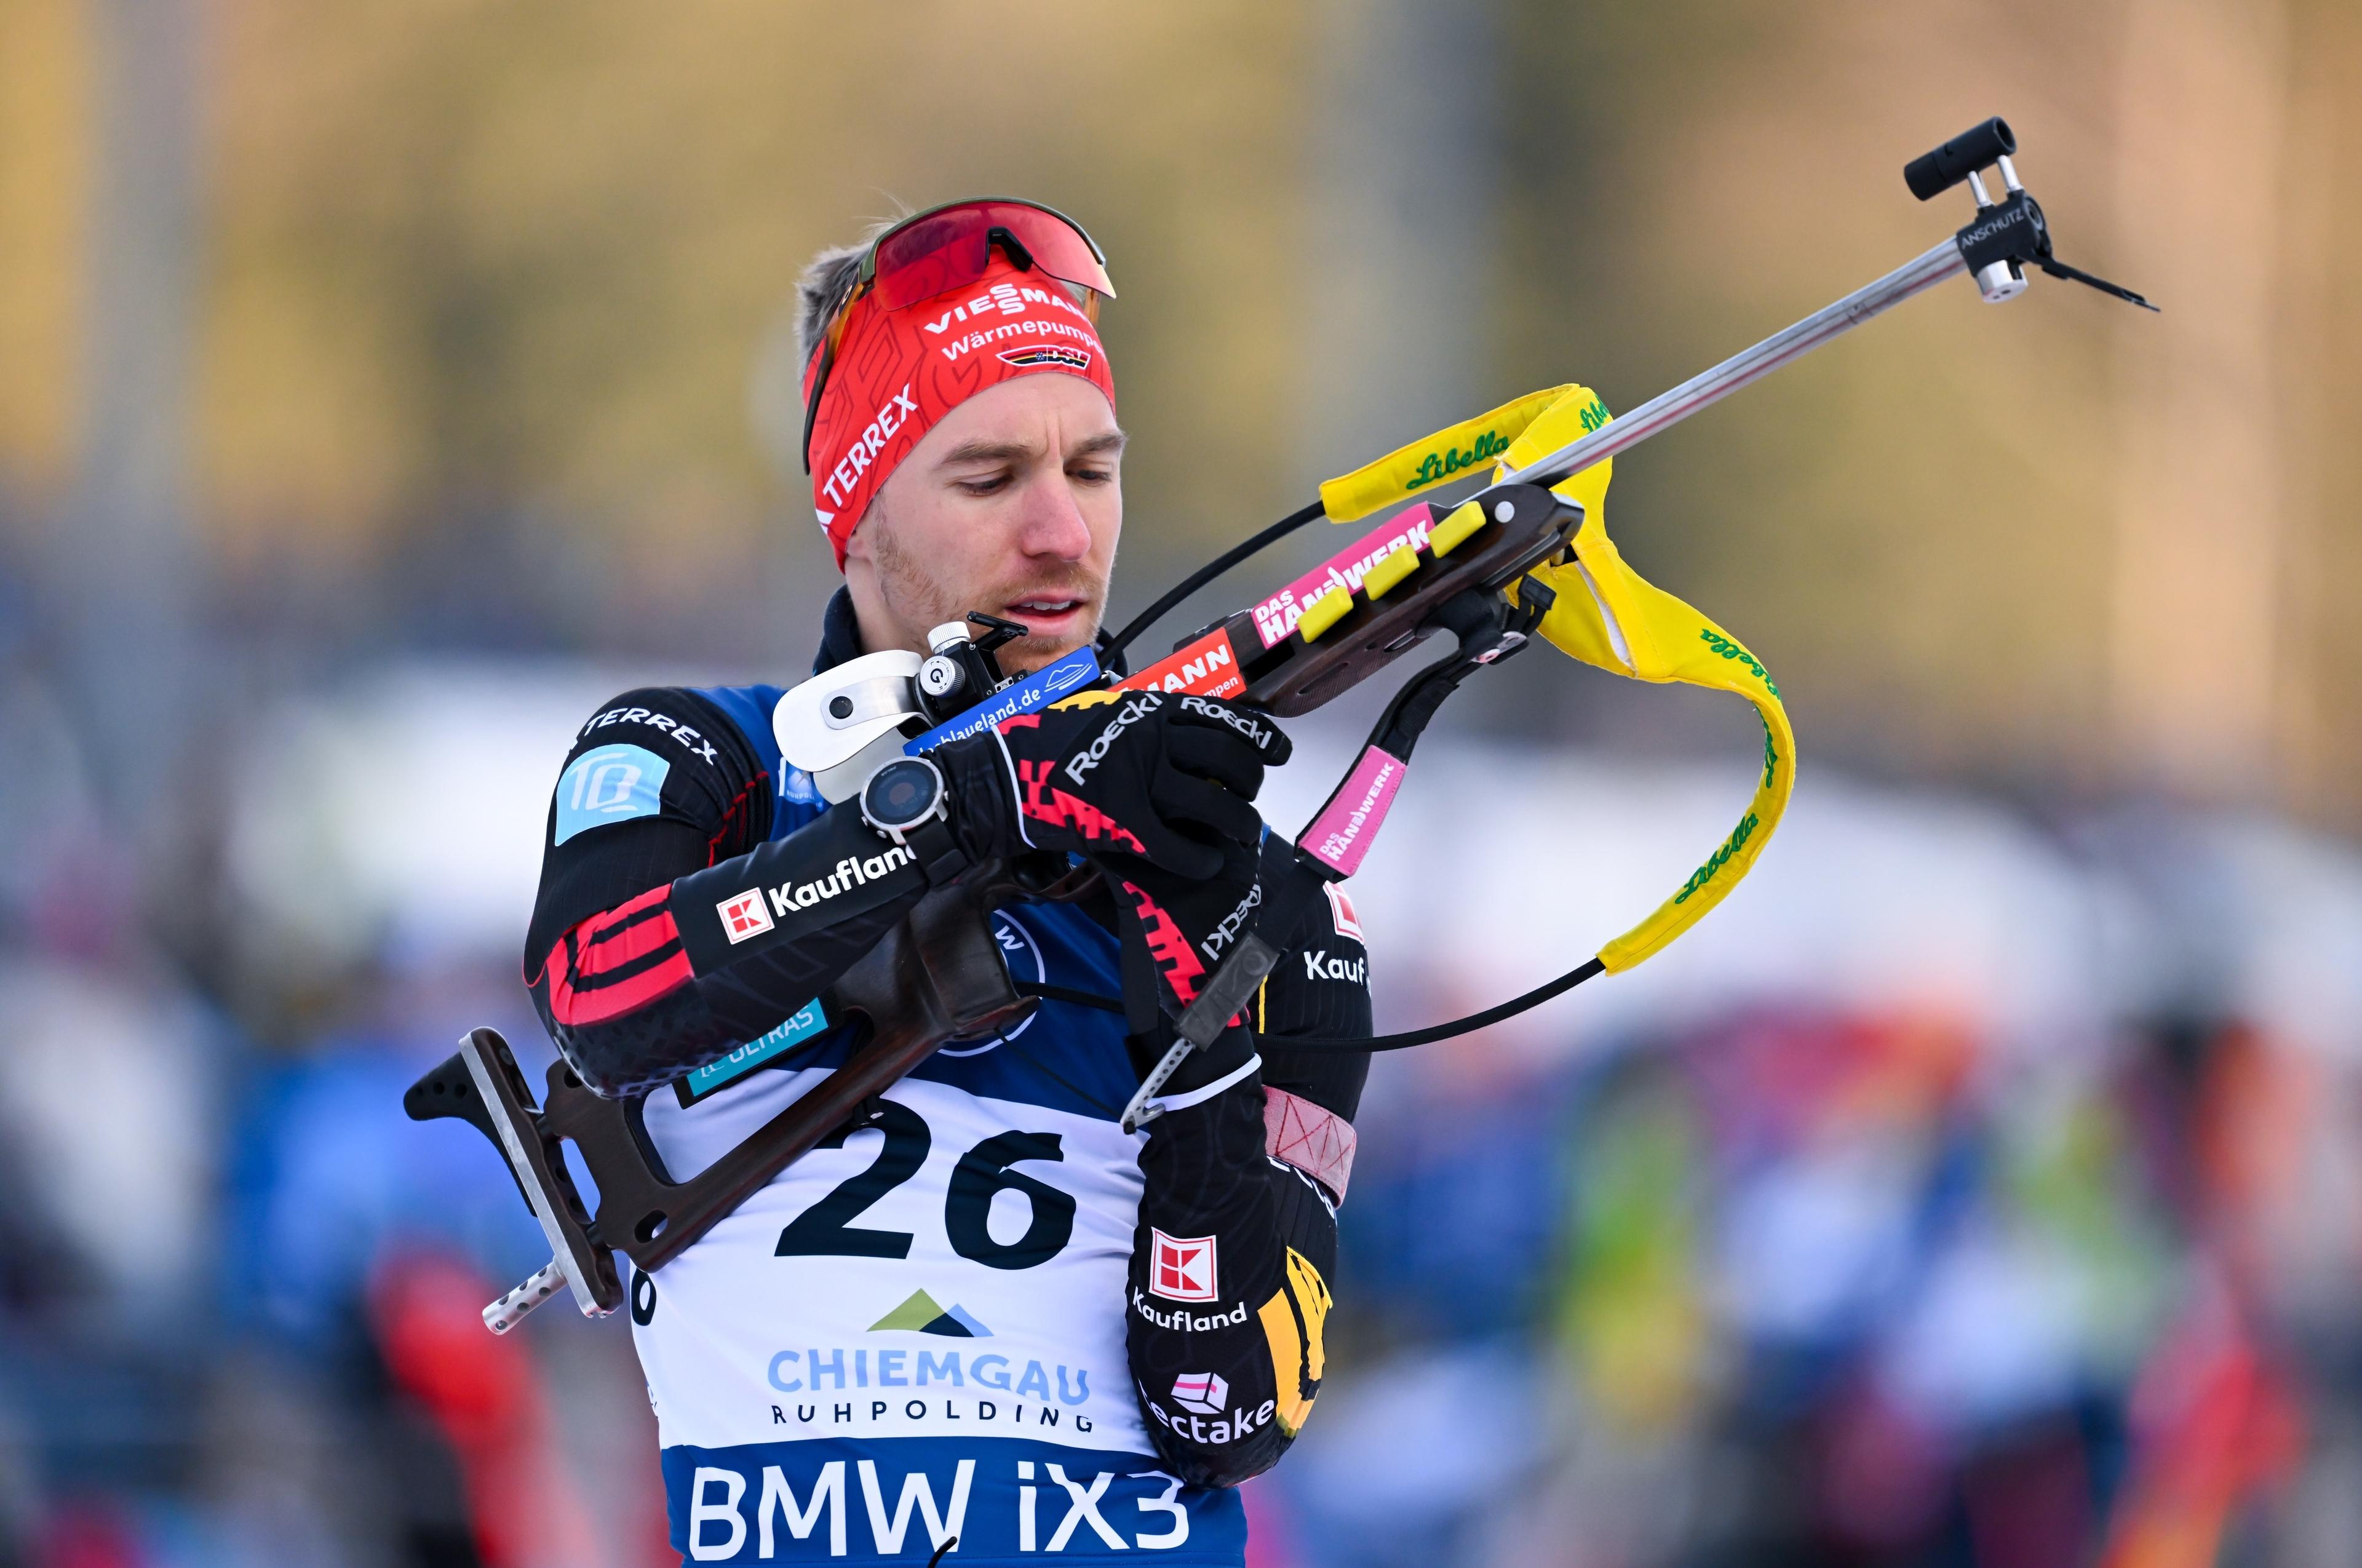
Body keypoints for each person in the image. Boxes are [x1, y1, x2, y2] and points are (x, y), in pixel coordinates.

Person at [522, 198, 1372, 1565]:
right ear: (851, 513)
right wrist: (966, 809)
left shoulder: (1267, 890)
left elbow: (1229, 1412)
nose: (1061, 536)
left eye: (1092, 471)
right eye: (987, 481)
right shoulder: (702, 758)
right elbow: (598, 995)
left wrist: (1209, 1050)